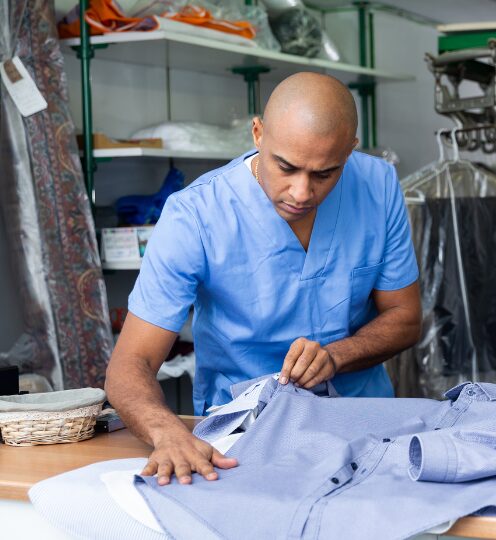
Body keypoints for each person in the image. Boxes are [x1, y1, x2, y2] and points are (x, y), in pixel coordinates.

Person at [105, 73, 422, 485]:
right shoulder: (195, 216)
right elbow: (131, 363)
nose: (302, 191)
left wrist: (335, 357)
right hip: (242, 439)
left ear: (350, 151)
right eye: (286, 167)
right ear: (257, 133)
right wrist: (167, 432)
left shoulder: (378, 185)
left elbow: (406, 317)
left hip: (365, 425)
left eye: (325, 173)